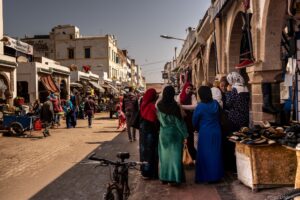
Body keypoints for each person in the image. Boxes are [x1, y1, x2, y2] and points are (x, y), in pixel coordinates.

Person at [157, 85, 188, 185]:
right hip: (175, 134)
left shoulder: (159, 105)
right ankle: (174, 178)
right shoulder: (175, 106)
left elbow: (158, 119)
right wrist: (185, 135)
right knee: (175, 157)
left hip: (163, 133)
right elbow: (179, 123)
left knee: (164, 157)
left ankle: (164, 177)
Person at [192, 86, 223, 183]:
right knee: (216, 153)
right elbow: (220, 116)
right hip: (216, 130)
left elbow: (194, 121)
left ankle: (206, 176)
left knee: (205, 155)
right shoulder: (215, 104)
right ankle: (216, 176)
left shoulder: (200, 106)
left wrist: (196, 128)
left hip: (205, 132)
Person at [225, 71, 250, 171]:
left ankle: (233, 166)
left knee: (233, 141)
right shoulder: (245, 88)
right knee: (242, 140)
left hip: (234, 119)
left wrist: (228, 92)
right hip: (244, 118)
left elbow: (228, 103)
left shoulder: (234, 89)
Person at [139, 88, 159, 179]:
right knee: (152, 152)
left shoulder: (143, 104)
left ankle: (144, 172)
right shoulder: (152, 106)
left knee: (144, 152)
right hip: (151, 131)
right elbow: (155, 118)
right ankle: (151, 173)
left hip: (143, 131)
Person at [177, 82, 197, 160]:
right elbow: (177, 105)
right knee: (182, 138)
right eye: (188, 88)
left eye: (190, 89)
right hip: (181, 119)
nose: (189, 90)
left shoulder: (192, 96)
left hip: (189, 119)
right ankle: (183, 157)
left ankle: (191, 157)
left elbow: (194, 106)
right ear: (185, 88)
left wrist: (182, 106)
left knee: (189, 137)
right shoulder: (180, 95)